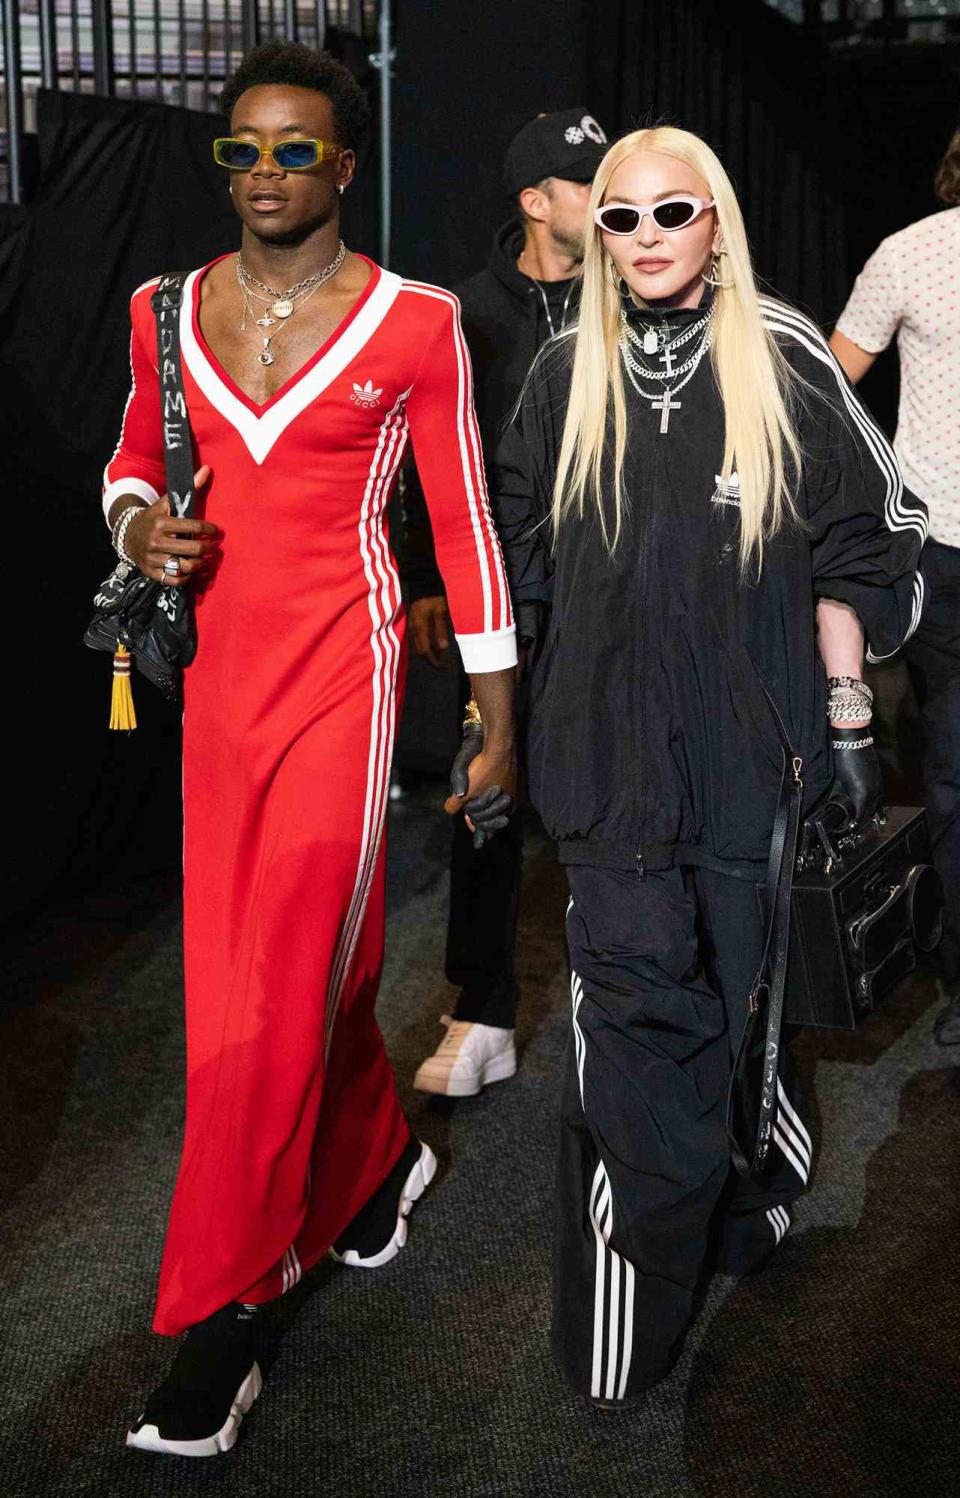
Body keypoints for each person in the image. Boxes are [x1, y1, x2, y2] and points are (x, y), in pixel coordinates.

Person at [101, 41, 516, 1457]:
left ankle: (222, 1320)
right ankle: (379, 1160)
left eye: (294, 149)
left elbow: (462, 523)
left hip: (350, 686)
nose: (264, 172)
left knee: (274, 997)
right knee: (251, 986)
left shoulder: (415, 321)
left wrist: (496, 717)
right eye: (242, 148)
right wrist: (139, 528)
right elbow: (129, 466)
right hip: (217, 698)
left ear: (345, 166)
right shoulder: (164, 309)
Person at [495, 125, 926, 1404]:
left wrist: (849, 717)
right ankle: (636, 1301)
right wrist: (504, 710)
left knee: (741, 1009)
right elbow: (512, 543)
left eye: (670, 213)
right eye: (617, 218)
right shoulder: (563, 370)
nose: (642, 239)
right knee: (637, 1032)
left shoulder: (785, 355)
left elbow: (868, 537)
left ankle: (751, 1193)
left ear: (717, 222)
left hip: (760, 762)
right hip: (605, 774)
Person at [404, 108, 608, 1098]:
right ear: (537, 202)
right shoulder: (467, 315)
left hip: (617, 597)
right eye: (585, 180)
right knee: (485, 790)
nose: (608, 195)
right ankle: (481, 1008)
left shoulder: (639, 292)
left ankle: (632, 1001)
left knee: (629, 794)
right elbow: (421, 457)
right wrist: (429, 577)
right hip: (503, 596)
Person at [830, 127, 960, 1045]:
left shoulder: (907, 250)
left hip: (939, 538)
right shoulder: (909, 253)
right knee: (954, 761)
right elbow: (831, 386)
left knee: (955, 762)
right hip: (942, 546)